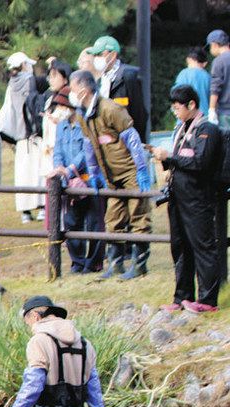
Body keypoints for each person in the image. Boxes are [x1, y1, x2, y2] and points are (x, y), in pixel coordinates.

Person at [71, 69, 153, 280]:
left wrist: (142, 169)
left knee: (138, 215)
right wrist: (94, 171)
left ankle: (140, 264)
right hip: (110, 175)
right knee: (113, 218)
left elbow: (132, 138)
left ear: (83, 89)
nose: (71, 93)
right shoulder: (83, 115)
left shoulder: (110, 109)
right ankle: (115, 265)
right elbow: (89, 144)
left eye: (73, 88)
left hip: (130, 170)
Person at [150, 85, 224, 313]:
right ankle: (182, 296)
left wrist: (170, 157)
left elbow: (200, 162)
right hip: (178, 197)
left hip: (198, 198)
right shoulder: (181, 129)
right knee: (180, 247)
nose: (175, 112)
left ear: (191, 105)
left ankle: (208, 300)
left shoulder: (207, 130)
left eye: (177, 107)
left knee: (203, 247)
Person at [50, 91, 107, 274]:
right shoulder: (61, 126)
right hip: (69, 181)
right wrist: (59, 167)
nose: (58, 110)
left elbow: (87, 150)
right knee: (71, 220)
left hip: (89, 178)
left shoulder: (85, 122)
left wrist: (71, 168)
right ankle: (77, 261)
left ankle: (94, 263)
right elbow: (57, 148)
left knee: (94, 222)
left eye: (61, 106)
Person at [0, 52, 46, 223]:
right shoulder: (32, 81)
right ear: (25, 65)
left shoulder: (11, 85)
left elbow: (7, 112)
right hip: (35, 134)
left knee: (23, 174)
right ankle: (42, 207)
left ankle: (25, 211)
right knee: (39, 171)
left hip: (20, 137)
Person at [87, 35, 148, 140]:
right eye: (95, 55)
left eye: (100, 54)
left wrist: (136, 141)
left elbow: (139, 113)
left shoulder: (128, 76)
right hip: (107, 141)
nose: (96, 58)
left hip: (127, 141)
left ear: (113, 54)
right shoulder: (100, 80)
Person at [173, 47, 211, 116]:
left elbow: (175, 97)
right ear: (205, 63)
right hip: (205, 117)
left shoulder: (183, 74)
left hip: (186, 118)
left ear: (188, 60)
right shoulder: (208, 77)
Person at [208, 30, 230, 130]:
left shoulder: (218, 61)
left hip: (225, 113)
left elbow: (215, 88)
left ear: (214, 45)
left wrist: (211, 109)